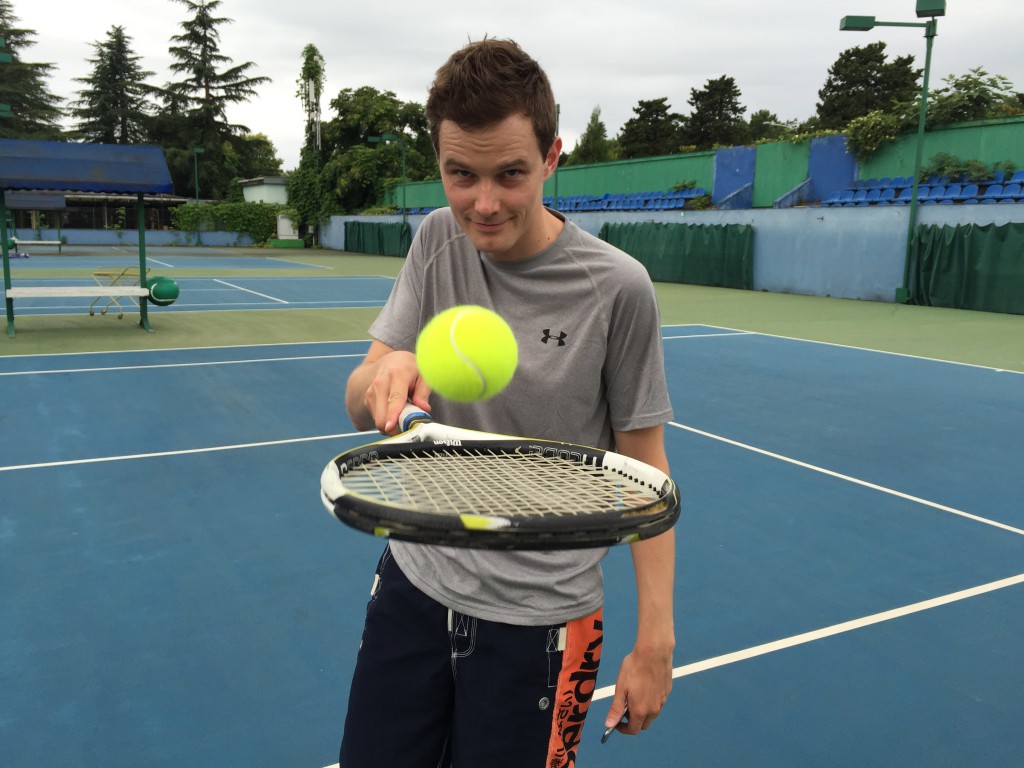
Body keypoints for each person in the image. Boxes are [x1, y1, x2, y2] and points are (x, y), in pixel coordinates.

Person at [341, 38, 675, 767]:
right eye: (461, 175)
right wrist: (387, 372)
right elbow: (358, 401)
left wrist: (655, 642)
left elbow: (644, 471)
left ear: (553, 157)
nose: (483, 204)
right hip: (414, 586)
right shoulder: (436, 241)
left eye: (510, 175)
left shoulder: (618, 288)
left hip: (540, 623)